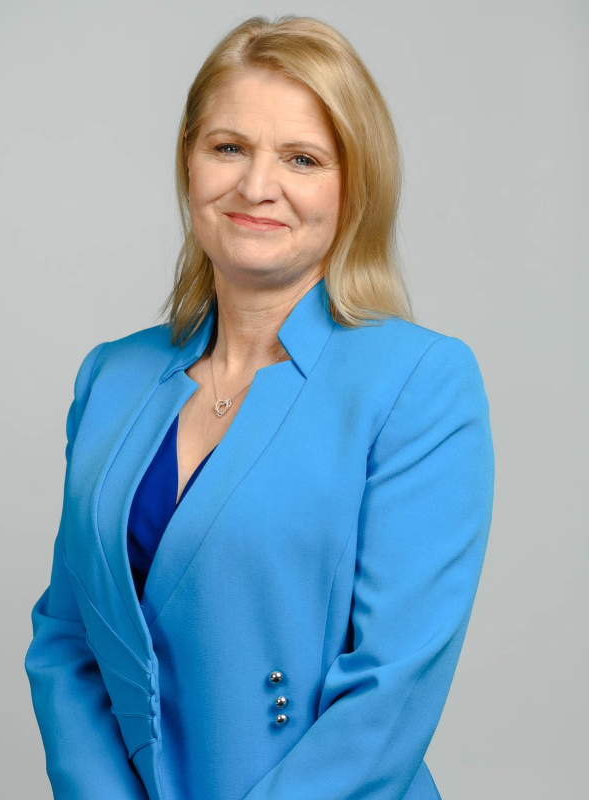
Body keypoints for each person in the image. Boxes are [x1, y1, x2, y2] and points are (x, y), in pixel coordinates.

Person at [24, 14, 495, 800]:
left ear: (355, 185)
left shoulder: (420, 381)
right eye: (228, 147)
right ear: (189, 160)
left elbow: (392, 688)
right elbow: (69, 640)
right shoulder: (112, 376)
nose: (255, 187)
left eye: (302, 158)